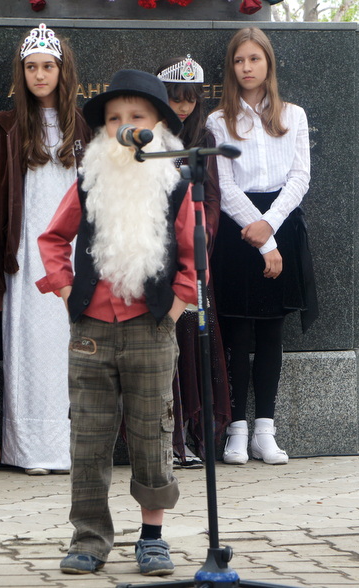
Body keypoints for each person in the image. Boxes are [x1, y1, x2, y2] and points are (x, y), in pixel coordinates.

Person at [36, 69, 199, 576]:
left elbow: (194, 255)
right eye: (114, 120)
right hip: (91, 329)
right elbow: (52, 239)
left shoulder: (176, 183)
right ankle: (89, 536)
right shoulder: (88, 181)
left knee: (153, 432)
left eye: (136, 117)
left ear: (158, 126)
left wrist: (175, 307)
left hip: (150, 326)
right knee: (89, 436)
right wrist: (65, 291)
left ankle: (152, 537)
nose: (124, 126)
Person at [0, 23, 91, 476]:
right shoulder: (9, 127)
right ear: (21, 73)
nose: (40, 75)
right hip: (25, 252)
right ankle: (28, 450)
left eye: (48, 66)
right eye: (31, 67)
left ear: (62, 72)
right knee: (29, 343)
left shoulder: (81, 127)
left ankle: (67, 448)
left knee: (69, 343)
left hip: (69, 249)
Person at [206, 27, 318, 466]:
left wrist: (269, 229)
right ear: (231, 68)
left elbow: (299, 178)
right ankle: (236, 430)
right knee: (236, 332)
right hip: (238, 229)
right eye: (239, 61)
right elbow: (225, 184)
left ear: (268, 63)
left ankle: (264, 431)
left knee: (271, 331)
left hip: (280, 224)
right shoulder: (219, 122)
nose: (247, 67)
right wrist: (256, 232)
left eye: (254, 59)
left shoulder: (294, 116)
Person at [154, 55, 231, 468]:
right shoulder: (150, 139)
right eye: (175, 98)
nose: (183, 107)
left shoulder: (204, 137)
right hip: (159, 259)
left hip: (194, 259)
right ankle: (164, 439)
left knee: (193, 344)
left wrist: (201, 238)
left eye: (190, 98)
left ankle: (191, 434)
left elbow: (214, 197)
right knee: (163, 348)